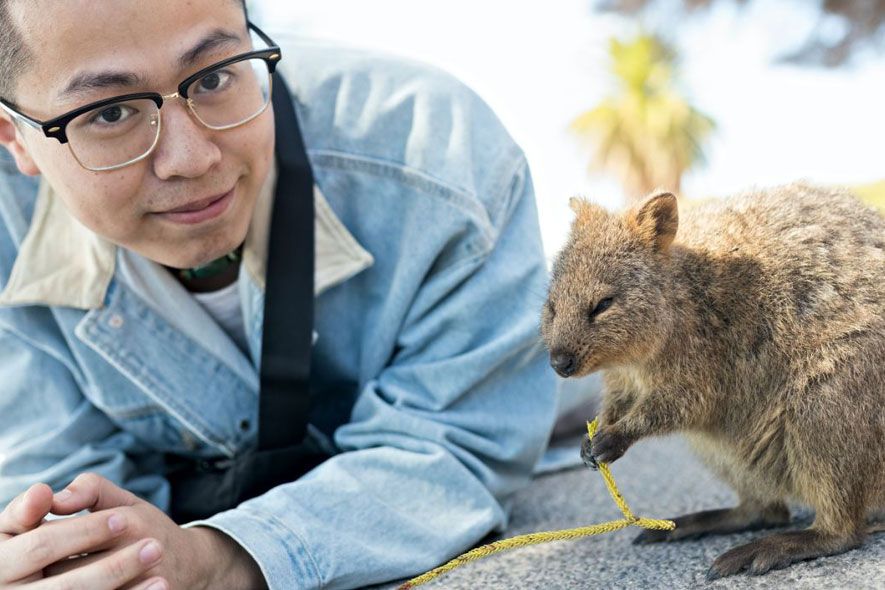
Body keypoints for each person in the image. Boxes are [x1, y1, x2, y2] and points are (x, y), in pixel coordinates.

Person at [0, 1, 556, 589]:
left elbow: (461, 442)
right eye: (110, 113)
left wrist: (217, 562)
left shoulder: (434, 151)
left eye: (215, 77)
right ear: (15, 137)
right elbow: (51, 482)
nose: (193, 159)